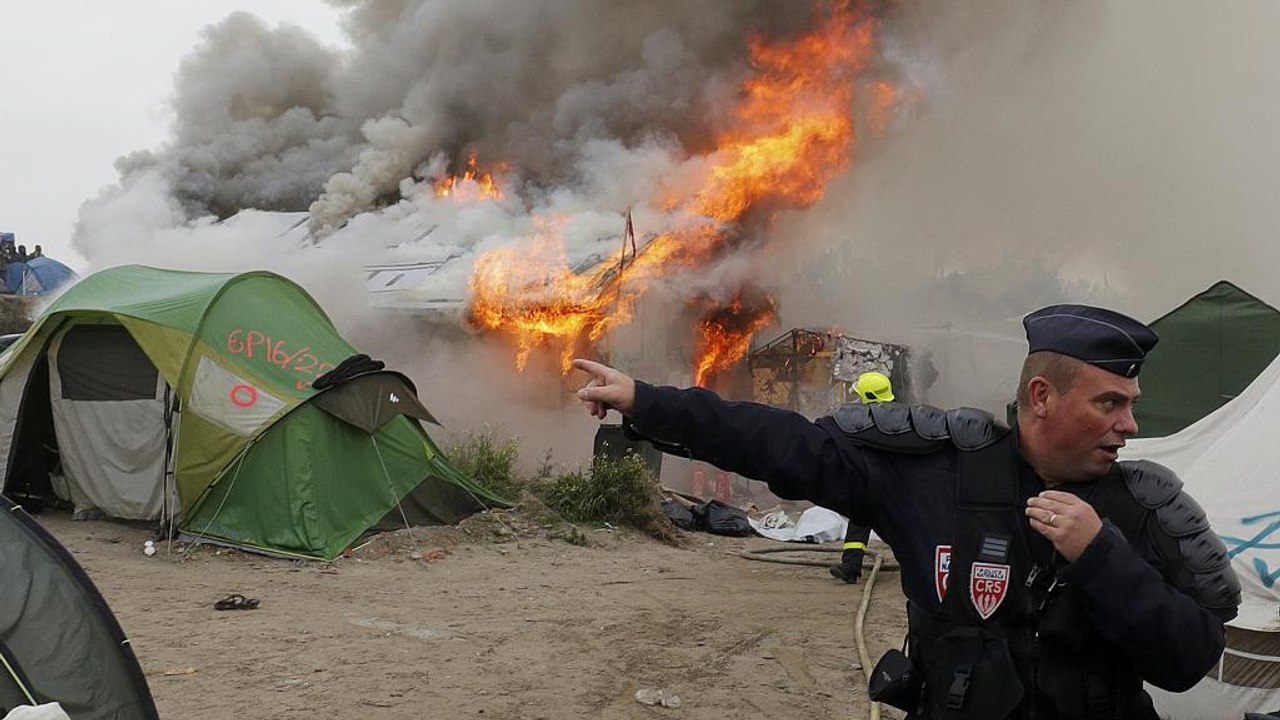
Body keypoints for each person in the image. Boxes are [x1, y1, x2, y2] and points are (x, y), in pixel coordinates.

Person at [574, 304, 1240, 720]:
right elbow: (783, 443)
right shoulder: (937, 472)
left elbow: (1188, 659)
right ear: (1041, 395)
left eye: (1131, 402)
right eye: (1109, 403)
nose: (1129, 424)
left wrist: (1102, 557)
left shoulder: (1146, 509)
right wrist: (649, 402)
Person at [828, 370, 894, 584]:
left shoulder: (868, 421)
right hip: (881, 484)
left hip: (887, 484)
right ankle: (850, 566)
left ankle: (850, 566)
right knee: (861, 518)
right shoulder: (895, 416)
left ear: (869, 396)